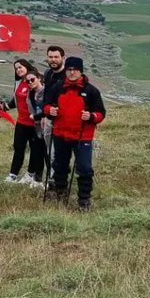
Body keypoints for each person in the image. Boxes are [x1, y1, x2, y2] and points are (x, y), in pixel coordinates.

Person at [44, 57, 105, 211]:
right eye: (69, 70)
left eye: (75, 70)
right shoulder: (58, 87)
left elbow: (101, 113)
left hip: (82, 136)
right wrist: (49, 111)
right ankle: (61, 194)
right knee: (60, 166)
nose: (71, 73)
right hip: (60, 133)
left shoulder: (91, 91)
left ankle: (84, 200)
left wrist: (91, 116)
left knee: (84, 168)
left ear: (80, 71)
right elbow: (46, 104)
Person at [6, 60, 46, 185]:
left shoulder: (33, 81)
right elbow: (16, 99)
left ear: (26, 66)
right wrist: (5, 106)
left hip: (35, 123)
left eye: (20, 67)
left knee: (35, 150)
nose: (18, 70)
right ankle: (13, 175)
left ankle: (32, 175)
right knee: (18, 148)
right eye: (16, 68)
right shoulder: (19, 82)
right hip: (21, 121)